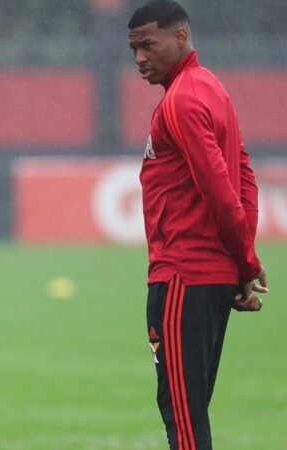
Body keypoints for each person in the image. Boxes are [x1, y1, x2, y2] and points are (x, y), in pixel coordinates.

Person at [128, 1, 269, 448]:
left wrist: (245, 264)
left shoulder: (182, 101)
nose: (140, 59)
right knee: (191, 411)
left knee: (183, 417)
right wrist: (241, 261)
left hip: (183, 277)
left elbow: (221, 191)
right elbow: (244, 178)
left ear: (181, 38)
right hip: (211, 276)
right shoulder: (211, 89)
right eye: (133, 49)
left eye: (148, 45)